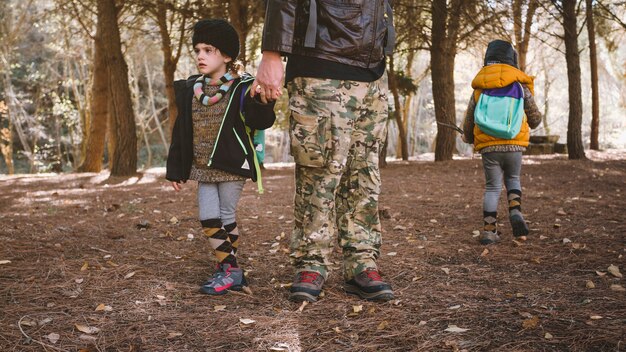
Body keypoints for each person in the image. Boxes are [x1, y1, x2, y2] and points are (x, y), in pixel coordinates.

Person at [252, 0, 396, 302]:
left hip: (373, 72)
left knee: (364, 176)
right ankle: (311, 262)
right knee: (319, 173)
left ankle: (361, 261)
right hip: (321, 63)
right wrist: (272, 52)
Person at [166, 19, 276, 295]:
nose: (201, 55)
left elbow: (260, 120)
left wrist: (262, 100)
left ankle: (228, 270)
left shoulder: (243, 87)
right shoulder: (192, 90)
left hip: (231, 164)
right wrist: (176, 169)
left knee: (224, 216)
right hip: (202, 166)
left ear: (226, 55)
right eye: (198, 50)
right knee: (208, 217)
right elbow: (181, 131)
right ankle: (230, 268)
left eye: (209, 50)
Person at [461, 39, 542, 245]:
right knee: (513, 179)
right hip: (514, 143)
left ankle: (489, 232)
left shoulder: (479, 89)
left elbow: (470, 119)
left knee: (492, 188)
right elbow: (534, 118)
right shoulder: (520, 86)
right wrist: (534, 121)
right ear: (511, 60)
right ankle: (515, 211)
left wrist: (468, 137)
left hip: (489, 147)